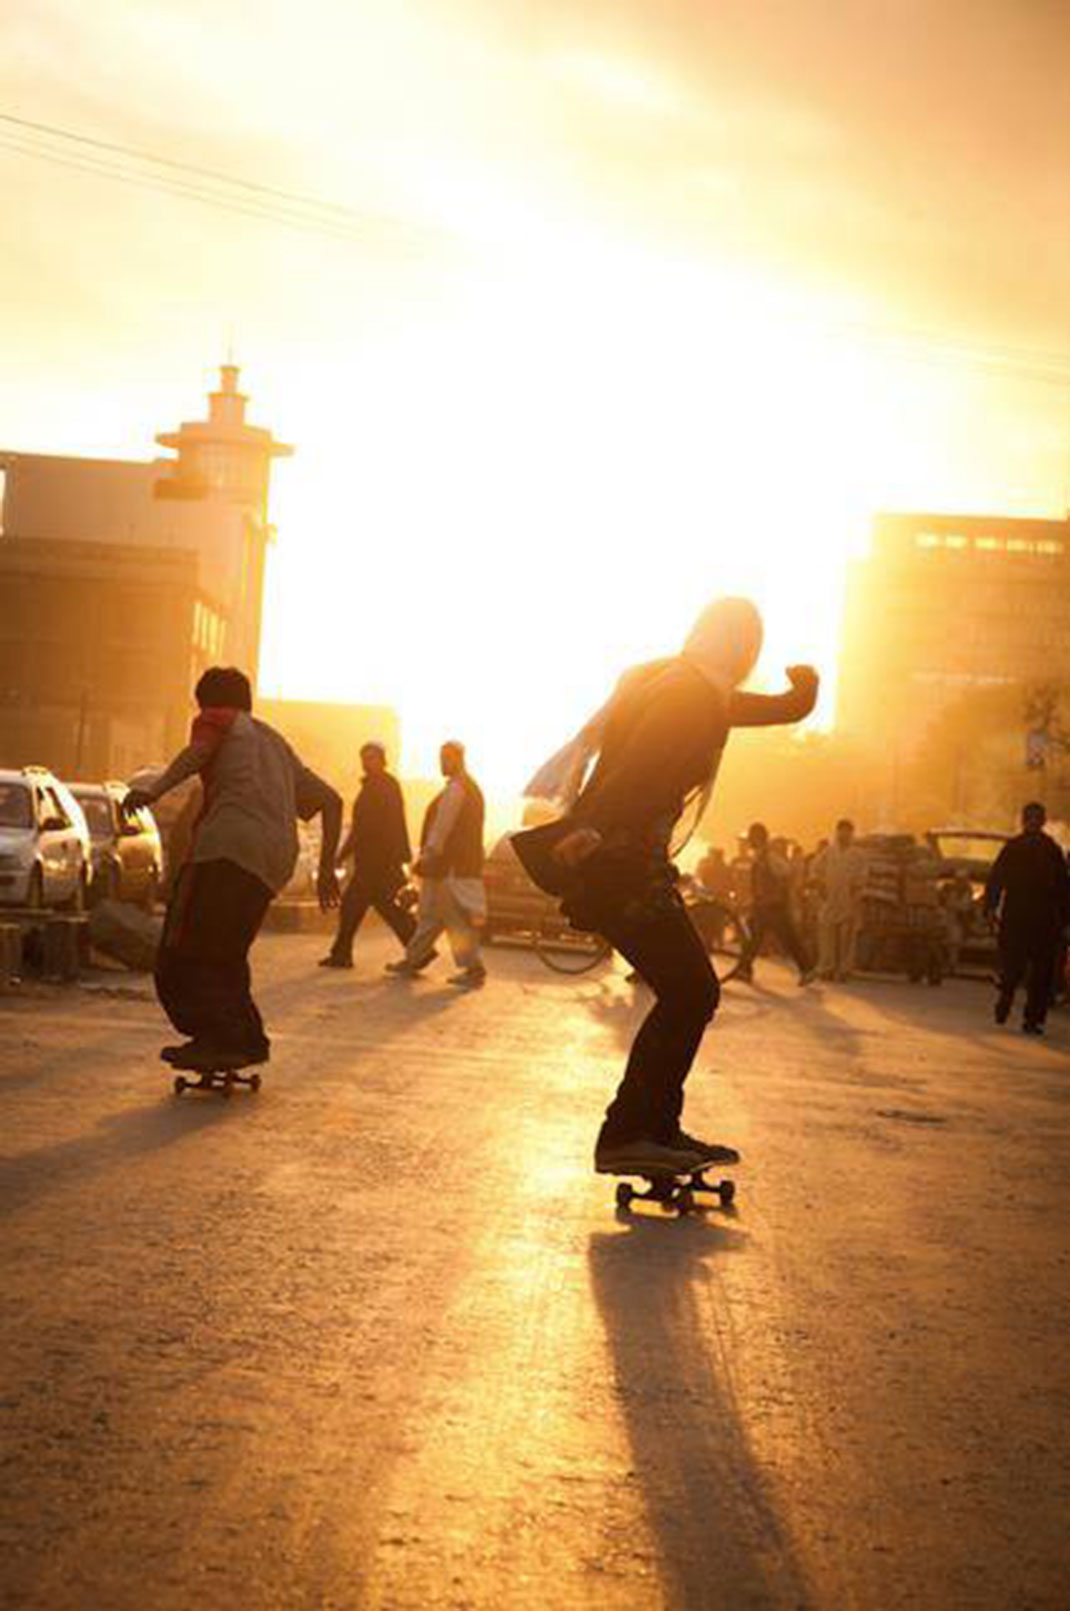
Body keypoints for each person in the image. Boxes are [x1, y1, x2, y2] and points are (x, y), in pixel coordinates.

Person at [514, 596, 819, 1178]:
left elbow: (775, 709)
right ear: (740, 647)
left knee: (689, 991)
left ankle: (654, 1127)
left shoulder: (691, 687)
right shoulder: (687, 693)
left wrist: (803, 692)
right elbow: (642, 765)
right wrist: (594, 829)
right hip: (619, 867)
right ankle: (630, 1131)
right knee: (692, 991)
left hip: (629, 867)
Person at [124, 666, 342, 1072]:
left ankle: (214, 1038)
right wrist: (326, 867)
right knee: (227, 951)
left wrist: (152, 790)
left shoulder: (216, 720)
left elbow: (197, 754)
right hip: (273, 859)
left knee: (183, 948)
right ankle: (246, 1040)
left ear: (209, 703)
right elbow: (331, 800)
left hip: (226, 847)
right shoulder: (276, 743)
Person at [387, 741, 487, 988]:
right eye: (441, 758)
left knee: (453, 920)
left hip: (450, 867)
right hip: (447, 867)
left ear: (457, 759)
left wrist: (428, 855)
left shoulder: (458, 789)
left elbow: (443, 827)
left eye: (446, 758)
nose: (441, 763)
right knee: (431, 916)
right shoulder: (462, 787)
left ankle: (473, 968)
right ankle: (412, 959)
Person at [320, 743, 415, 969]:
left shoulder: (383, 786)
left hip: (378, 861)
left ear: (382, 760)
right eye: (364, 758)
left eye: (371, 758)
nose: (366, 762)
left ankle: (342, 954)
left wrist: (343, 853)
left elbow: (369, 827)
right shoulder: (376, 786)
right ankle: (419, 948)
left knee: (356, 906)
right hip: (374, 860)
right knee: (384, 908)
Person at [984, 801, 1070, 1035]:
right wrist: (1064, 920)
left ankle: (1016, 1003)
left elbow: (996, 879)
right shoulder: (1046, 849)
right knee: (1031, 971)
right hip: (1035, 919)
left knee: (1023, 968)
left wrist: (990, 908)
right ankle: (1023, 1013)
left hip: (1024, 917)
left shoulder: (1021, 847)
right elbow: (1064, 887)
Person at [728, 822, 816, 986]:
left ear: (758, 839)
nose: (749, 843)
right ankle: (745, 969)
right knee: (754, 938)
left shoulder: (770, 856)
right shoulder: (760, 856)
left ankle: (808, 969)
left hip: (774, 907)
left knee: (788, 938)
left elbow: (787, 873)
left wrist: (781, 894)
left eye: (752, 839)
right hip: (763, 906)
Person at [814, 818, 866, 981]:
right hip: (829, 899)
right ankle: (827, 967)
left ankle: (844, 969)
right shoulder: (829, 852)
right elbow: (816, 869)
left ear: (851, 834)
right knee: (826, 935)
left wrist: (856, 892)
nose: (844, 834)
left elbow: (863, 876)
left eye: (847, 831)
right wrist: (820, 886)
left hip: (848, 900)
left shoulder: (858, 855)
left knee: (846, 938)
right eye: (841, 831)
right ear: (837, 832)